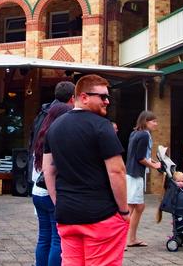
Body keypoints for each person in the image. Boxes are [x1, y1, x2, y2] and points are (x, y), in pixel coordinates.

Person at [43, 74, 129, 265]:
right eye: (103, 97)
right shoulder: (102, 127)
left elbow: (48, 171)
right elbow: (117, 172)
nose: (107, 101)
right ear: (83, 97)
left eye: (108, 97)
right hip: (101, 217)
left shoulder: (54, 127)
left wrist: (60, 202)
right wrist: (124, 211)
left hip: (67, 216)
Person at [31, 102, 72, 266]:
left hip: (37, 191)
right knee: (57, 239)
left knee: (44, 237)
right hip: (51, 191)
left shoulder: (41, 136)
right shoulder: (60, 137)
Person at [28, 81, 75, 186]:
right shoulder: (65, 115)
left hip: (38, 171)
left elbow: (32, 140)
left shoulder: (43, 113)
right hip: (52, 176)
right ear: (73, 98)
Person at [125, 110, 161, 247]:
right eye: (153, 121)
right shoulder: (144, 136)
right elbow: (140, 158)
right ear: (146, 122)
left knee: (139, 207)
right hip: (135, 175)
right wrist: (155, 165)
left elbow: (140, 155)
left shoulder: (135, 133)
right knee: (131, 208)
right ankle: (124, 240)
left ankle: (131, 239)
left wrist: (152, 161)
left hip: (131, 173)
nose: (156, 124)